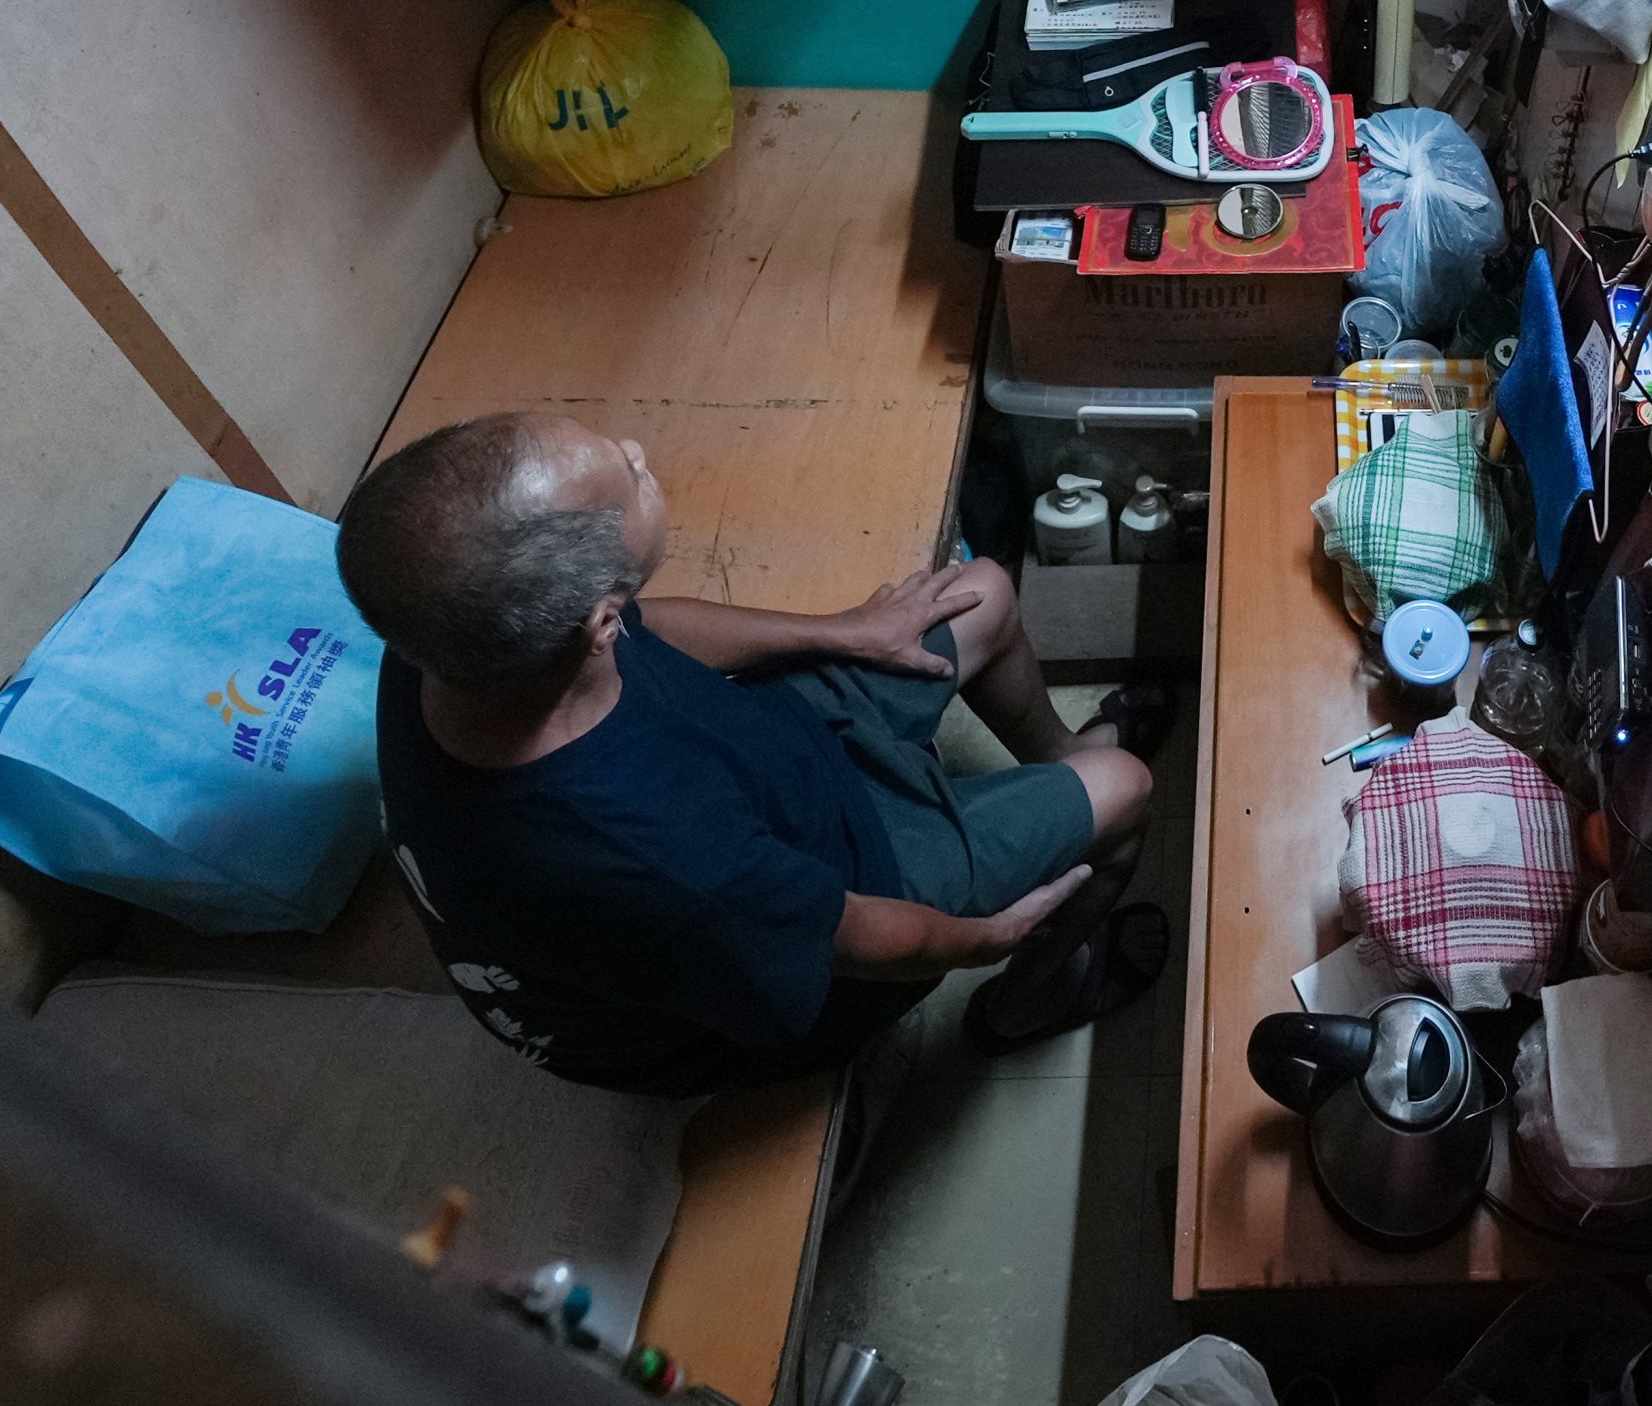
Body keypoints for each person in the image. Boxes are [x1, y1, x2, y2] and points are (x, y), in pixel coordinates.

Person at [334, 408, 1169, 1092]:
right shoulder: (647, 855)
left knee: (976, 592)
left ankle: (1058, 748)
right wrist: (985, 937)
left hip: (769, 780)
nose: (634, 447)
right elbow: (872, 941)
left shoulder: (448, 645)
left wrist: (847, 633)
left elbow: (649, 629)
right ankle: (1028, 998)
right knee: (1125, 788)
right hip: (835, 903)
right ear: (594, 621)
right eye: (627, 482)